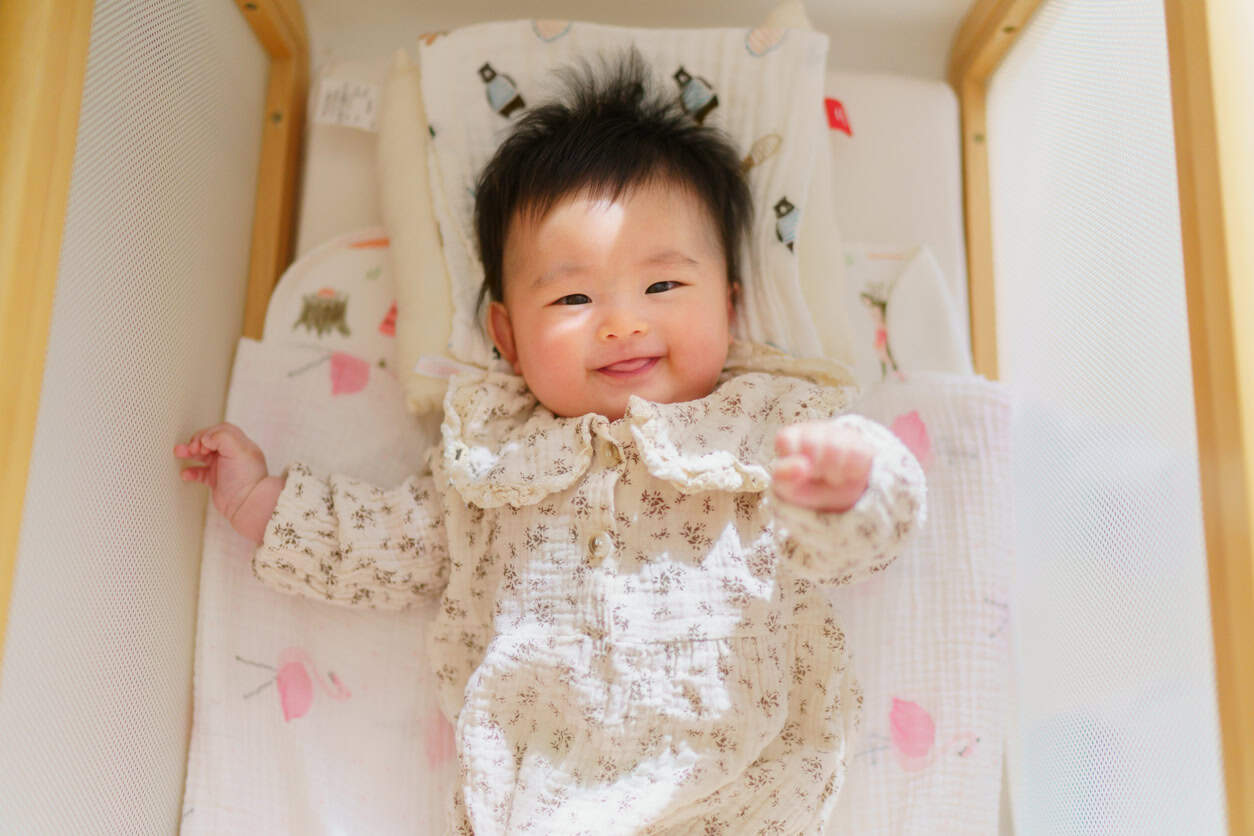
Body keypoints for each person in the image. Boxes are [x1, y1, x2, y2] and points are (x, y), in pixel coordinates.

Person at [174, 51, 925, 835]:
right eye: (573, 296)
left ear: (730, 308)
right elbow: (399, 543)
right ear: (506, 334)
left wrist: (855, 487)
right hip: (542, 796)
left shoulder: (766, 426)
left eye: (663, 286)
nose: (622, 322)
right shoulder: (492, 455)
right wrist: (266, 503)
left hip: (739, 788)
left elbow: (861, 549)